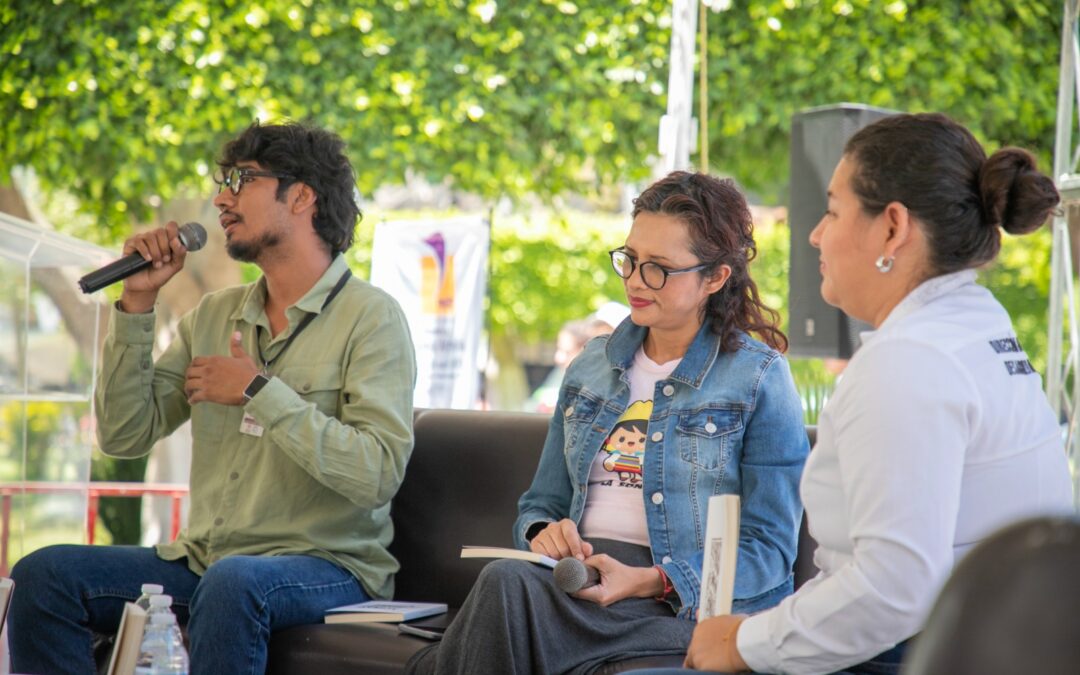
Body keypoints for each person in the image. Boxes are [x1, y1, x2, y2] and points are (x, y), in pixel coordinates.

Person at [633, 113, 1074, 675]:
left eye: (834, 209)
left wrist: (742, 643)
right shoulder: (977, 326)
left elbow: (893, 589)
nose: (816, 233)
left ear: (892, 227)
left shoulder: (910, 361)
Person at [8, 121, 417, 674]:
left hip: (326, 566)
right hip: (204, 561)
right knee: (44, 576)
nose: (221, 198)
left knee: (235, 581)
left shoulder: (372, 318)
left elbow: (378, 473)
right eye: (222, 181)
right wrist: (137, 302)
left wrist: (257, 391)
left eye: (241, 180)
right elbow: (125, 435)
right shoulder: (215, 314)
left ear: (301, 196)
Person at [406, 171, 810, 675]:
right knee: (506, 581)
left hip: (683, 609)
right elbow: (540, 505)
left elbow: (769, 551)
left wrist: (652, 579)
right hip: (580, 589)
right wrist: (544, 534)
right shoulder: (592, 366)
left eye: (659, 269)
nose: (636, 281)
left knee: (491, 614)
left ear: (715, 277)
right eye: (630, 260)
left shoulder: (758, 377)